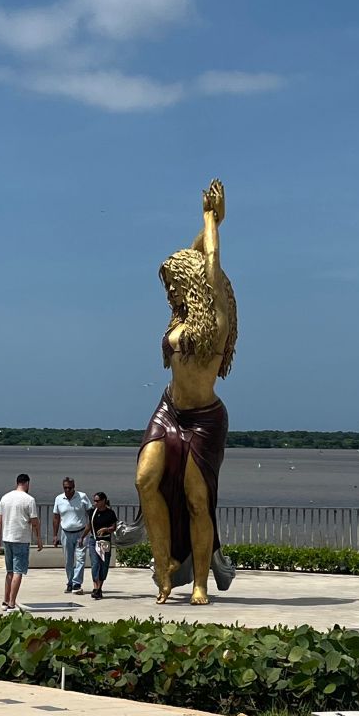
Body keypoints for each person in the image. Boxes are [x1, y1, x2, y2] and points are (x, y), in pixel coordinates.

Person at [135, 179, 237, 605]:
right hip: (169, 410)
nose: (170, 293)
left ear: (192, 286)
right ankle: (163, 569)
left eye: (174, 285)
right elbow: (197, 256)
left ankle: (199, 582)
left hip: (204, 420)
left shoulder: (216, 325)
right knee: (146, 480)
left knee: (198, 501)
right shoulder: (179, 320)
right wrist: (208, 225)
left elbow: (209, 262)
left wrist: (211, 220)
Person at [0, 473, 42, 612]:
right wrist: (38, 538)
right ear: (27, 483)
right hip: (21, 539)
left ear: (17, 482)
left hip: (7, 538)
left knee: (9, 571)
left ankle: (5, 600)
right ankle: (11, 603)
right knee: (18, 571)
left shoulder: (5, 497)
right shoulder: (29, 500)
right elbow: (35, 521)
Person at [52, 477, 92, 594]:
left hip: (81, 532)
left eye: (70, 488)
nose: (68, 490)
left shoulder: (82, 496)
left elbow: (91, 514)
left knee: (80, 558)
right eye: (65, 488)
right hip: (66, 533)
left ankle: (76, 583)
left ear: (74, 487)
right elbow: (56, 518)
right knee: (68, 560)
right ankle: (70, 581)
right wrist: (55, 535)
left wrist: (89, 528)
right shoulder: (59, 499)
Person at [85, 492, 117, 599]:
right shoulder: (92, 512)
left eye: (97, 501)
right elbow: (89, 525)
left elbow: (114, 527)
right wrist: (82, 537)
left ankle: (99, 588)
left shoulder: (110, 513)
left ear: (103, 501)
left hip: (105, 541)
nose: (95, 503)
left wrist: (106, 529)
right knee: (95, 563)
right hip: (94, 540)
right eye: (94, 501)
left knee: (103, 565)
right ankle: (95, 588)